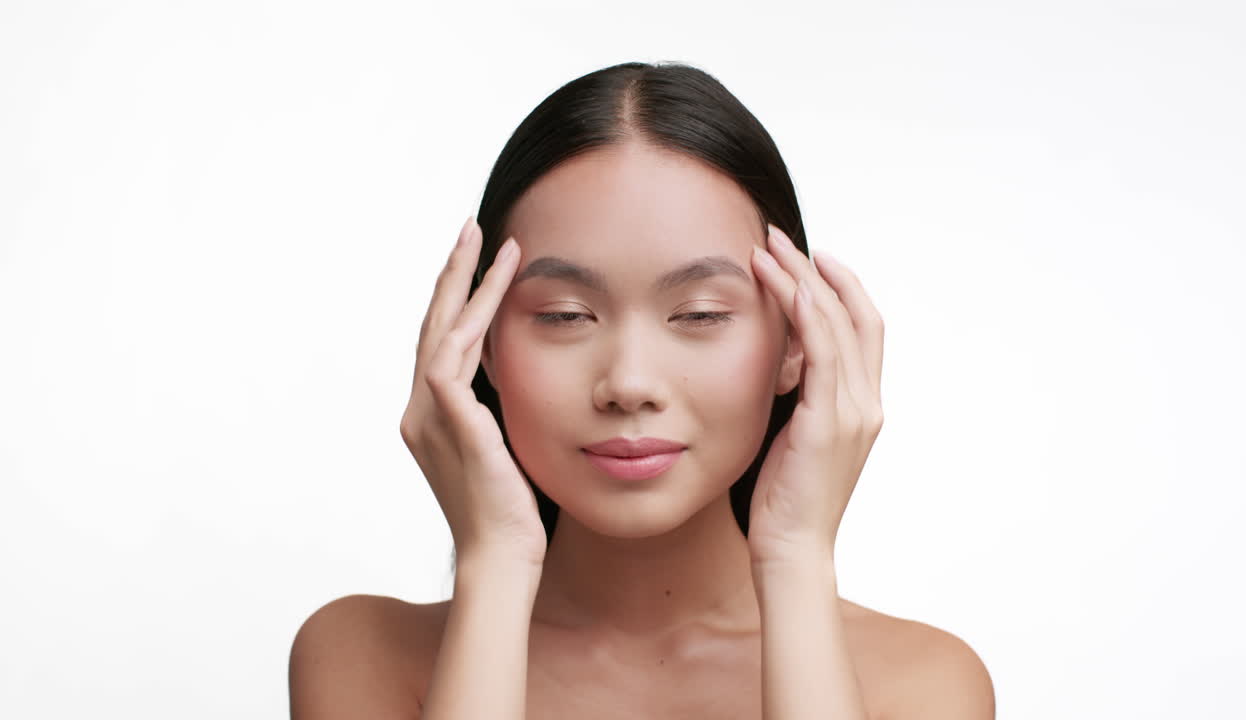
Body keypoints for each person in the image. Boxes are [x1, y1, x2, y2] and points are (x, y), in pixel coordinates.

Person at [288, 61, 995, 720]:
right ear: (481, 345)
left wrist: (797, 558)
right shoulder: (365, 655)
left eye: (699, 315)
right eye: (564, 315)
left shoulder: (924, 683)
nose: (628, 384)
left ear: (796, 343)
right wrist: (494, 561)